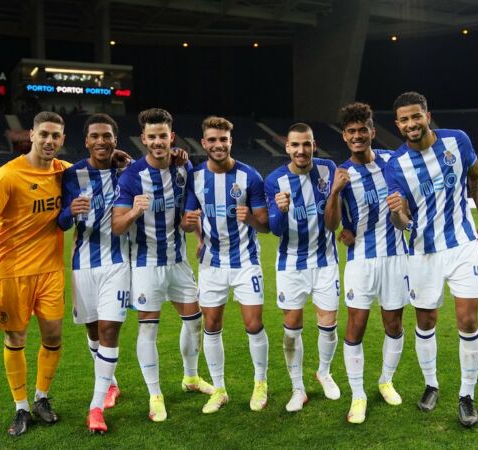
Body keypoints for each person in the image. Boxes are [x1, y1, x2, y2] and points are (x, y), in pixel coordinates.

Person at [384, 91, 478, 428]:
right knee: (426, 320)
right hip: (422, 251)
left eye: (416, 116)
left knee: (467, 320)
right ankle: (431, 384)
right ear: (397, 124)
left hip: (461, 244)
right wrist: (399, 216)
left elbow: (475, 179)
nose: (411, 124)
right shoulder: (395, 165)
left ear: (427, 115)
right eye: (404, 119)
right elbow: (400, 222)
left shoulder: (457, 141)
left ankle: (467, 395)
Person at [0, 111, 72, 436]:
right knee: (16, 337)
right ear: (32, 135)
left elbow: (100, 171)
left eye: (56, 135)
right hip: (13, 272)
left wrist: (119, 160)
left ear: (63, 139)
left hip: (51, 270)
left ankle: (41, 398)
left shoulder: (65, 172)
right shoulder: (7, 176)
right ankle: (21, 407)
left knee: (53, 335)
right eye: (44, 134)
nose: (49, 141)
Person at [112, 108, 213, 423]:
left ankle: (191, 377)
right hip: (146, 265)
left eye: (163, 136)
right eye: (152, 137)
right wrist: (134, 213)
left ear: (172, 136)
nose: (158, 142)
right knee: (148, 330)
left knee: (195, 321)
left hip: (178, 261)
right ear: (143, 139)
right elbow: (117, 225)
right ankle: (155, 394)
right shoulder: (132, 176)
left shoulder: (184, 169)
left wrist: (192, 229)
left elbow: (188, 215)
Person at [323, 103, 409, 424]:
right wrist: (334, 193)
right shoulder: (341, 174)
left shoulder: (392, 161)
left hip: (397, 258)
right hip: (360, 261)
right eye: (351, 132)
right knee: (356, 325)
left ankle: (385, 380)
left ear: (372, 132)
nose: (358, 136)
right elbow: (331, 224)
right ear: (345, 137)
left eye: (363, 130)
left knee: (394, 324)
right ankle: (358, 394)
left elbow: (409, 199)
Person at [181, 116, 270, 414]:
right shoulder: (194, 177)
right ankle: (219, 389)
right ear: (204, 143)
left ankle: (261, 383)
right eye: (213, 140)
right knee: (211, 325)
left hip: (246, 262)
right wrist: (193, 231)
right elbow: (188, 218)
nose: (219, 145)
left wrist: (251, 219)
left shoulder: (250, 177)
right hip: (211, 264)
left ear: (230, 141)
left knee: (253, 324)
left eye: (224, 140)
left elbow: (265, 225)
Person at [57, 113, 132, 434]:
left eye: (107, 136)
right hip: (83, 264)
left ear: (115, 140)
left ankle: (96, 407)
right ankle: (111, 384)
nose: (101, 141)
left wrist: (132, 162)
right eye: (95, 137)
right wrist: (68, 212)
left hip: (118, 262)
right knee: (92, 331)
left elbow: (157, 167)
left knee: (109, 330)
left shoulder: (127, 173)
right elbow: (59, 221)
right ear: (86, 141)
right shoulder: (73, 175)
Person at [264, 122, 341, 412]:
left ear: (313, 145)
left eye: (306, 144)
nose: (301, 150)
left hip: (325, 261)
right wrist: (280, 212)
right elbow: (274, 229)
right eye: (295, 145)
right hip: (291, 265)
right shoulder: (274, 181)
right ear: (287, 148)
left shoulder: (328, 169)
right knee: (292, 329)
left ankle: (324, 372)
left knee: (328, 325)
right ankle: (298, 389)